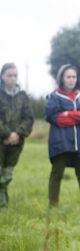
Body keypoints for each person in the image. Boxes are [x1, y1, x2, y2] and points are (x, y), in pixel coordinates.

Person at [45, 64, 80, 207]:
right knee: (57, 174)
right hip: (61, 142)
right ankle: (53, 205)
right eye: (68, 77)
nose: (71, 80)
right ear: (62, 78)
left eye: (74, 77)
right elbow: (53, 117)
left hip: (79, 142)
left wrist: (70, 114)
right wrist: (79, 116)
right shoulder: (54, 97)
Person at [0, 63, 34, 208]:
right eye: (9, 75)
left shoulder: (23, 96)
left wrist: (17, 134)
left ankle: (3, 203)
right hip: (1, 140)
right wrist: (6, 134)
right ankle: (2, 205)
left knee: (7, 175)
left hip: (16, 143)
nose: (13, 78)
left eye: (15, 75)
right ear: (2, 77)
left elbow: (29, 118)